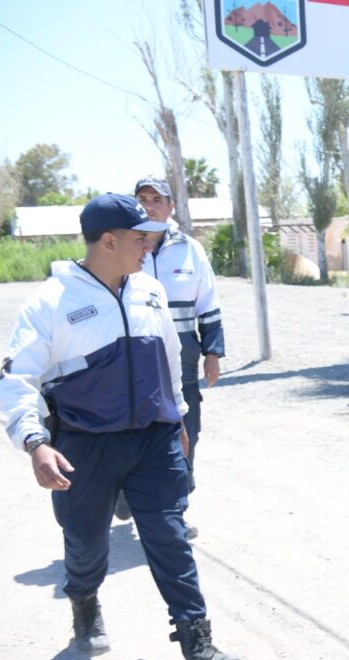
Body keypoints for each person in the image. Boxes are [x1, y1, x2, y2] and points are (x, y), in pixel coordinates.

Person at [0, 193, 243, 660]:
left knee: (170, 536)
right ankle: (84, 602)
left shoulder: (149, 290)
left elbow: (168, 357)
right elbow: (16, 378)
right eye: (139, 239)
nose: (148, 246)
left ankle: (199, 646)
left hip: (153, 439)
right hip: (84, 445)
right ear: (108, 241)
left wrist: (178, 415)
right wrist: (35, 442)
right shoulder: (52, 301)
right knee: (87, 543)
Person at [118, 176, 225, 539]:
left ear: (170, 206)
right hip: (133, 358)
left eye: (156, 199)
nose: (149, 206)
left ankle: (176, 508)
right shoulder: (124, 246)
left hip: (183, 358)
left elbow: (207, 302)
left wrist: (212, 352)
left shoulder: (190, 249)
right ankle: (125, 489)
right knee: (133, 428)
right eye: (142, 199)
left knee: (185, 429)